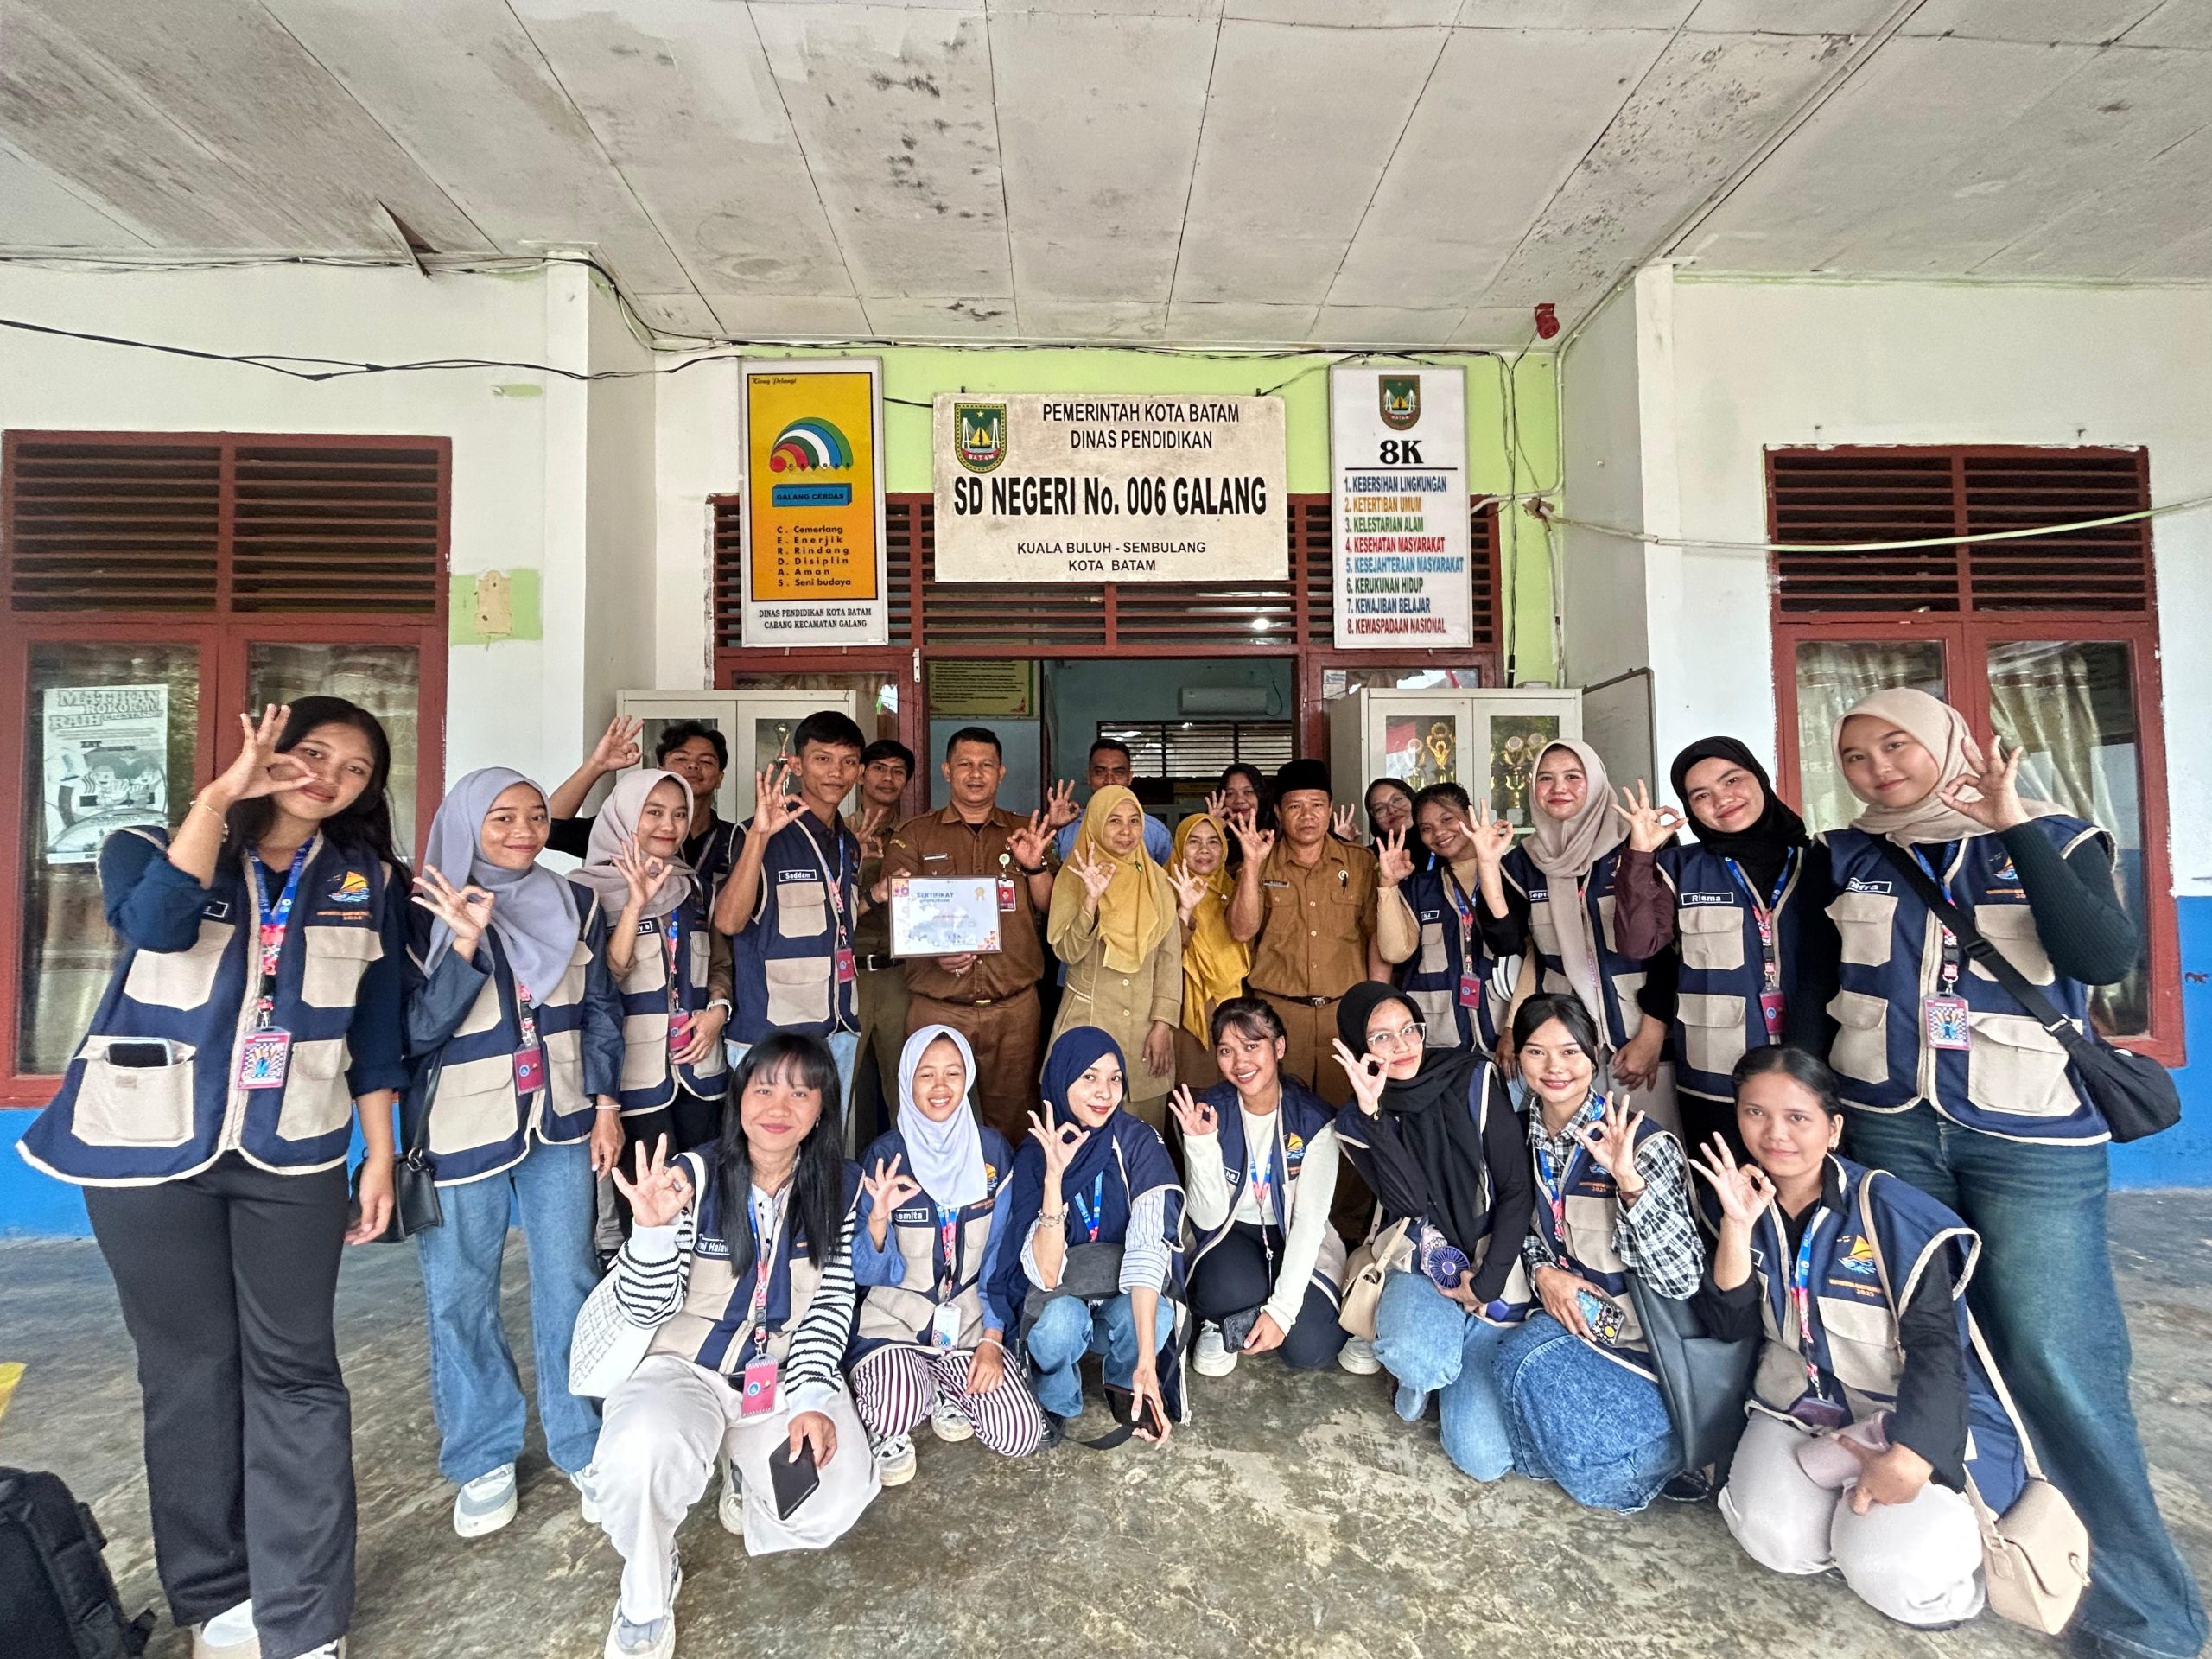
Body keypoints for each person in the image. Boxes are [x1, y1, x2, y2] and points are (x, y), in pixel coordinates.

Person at [19, 700, 410, 1659]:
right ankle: (216, 1595)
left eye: (356, 770)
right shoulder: (148, 841)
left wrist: (381, 1155)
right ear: (270, 751)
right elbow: (154, 924)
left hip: (298, 1147)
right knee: (190, 1373)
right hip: (147, 1149)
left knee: (299, 1373)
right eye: (313, 754)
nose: (330, 778)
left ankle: (306, 1609)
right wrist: (221, 800)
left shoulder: (368, 879)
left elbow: (375, 1027)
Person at [1822, 687, 2204, 1659]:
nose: (1877, 770)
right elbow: (1825, 981)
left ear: (1949, 742)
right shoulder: (1851, 853)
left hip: (2027, 1136)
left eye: (1894, 745)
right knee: (1932, 1341)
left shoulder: (2058, 837)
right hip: (1891, 1128)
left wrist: (2013, 823)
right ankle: (1994, 1551)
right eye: (1856, 756)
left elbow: (2103, 954)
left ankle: (2143, 1619)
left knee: (2056, 1362)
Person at [1692, 1046, 2008, 1630]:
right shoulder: (1740, 1201)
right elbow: (1730, 1326)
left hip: (1899, 1418)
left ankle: (1913, 1542)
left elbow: (1939, 1350)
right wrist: (1736, 1227)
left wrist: (1911, 1458)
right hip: (1803, 1409)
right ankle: (1846, 1525)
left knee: (1900, 1574)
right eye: (1755, 1113)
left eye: (1797, 1118)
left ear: (1833, 1128)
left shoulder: (1892, 1214)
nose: (1774, 1134)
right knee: (1771, 1537)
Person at [589, 1034, 878, 1659]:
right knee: (638, 1458)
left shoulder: (843, 1188)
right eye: (765, 1086)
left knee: (835, 1492)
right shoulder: (690, 1177)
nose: (780, 1105)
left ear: (824, 1108)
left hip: (774, 1382)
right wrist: (650, 1236)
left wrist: (807, 1399)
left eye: (802, 1091)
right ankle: (646, 1586)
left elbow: (830, 1306)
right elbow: (644, 1308)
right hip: (684, 1371)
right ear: (740, 1096)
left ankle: (741, 1470)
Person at [404, 767, 627, 1540]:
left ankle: (581, 1440)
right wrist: (462, 948)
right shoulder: (422, 909)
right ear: (466, 823)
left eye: (535, 817)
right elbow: (410, 1034)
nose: (525, 832)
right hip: (461, 1126)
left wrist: (605, 1105)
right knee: (461, 1290)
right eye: (502, 819)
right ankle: (483, 1451)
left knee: (569, 1279)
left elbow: (599, 1010)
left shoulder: (574, 903)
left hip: (560, 1115)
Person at [1495, 994, 1705, 1513]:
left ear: (1594, 1054)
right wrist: (1542, 1269)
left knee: (1524, 1369)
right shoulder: (1513, 1137)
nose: (1554, 1068)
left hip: (1641, 1351)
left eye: (1569, 1051)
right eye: (1536, 1053)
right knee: (1506, 1387)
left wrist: (1630, 1185)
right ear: (1517, 1059)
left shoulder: (1640, 1143)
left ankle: (1656, 1454)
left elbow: (1681, 1278)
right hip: (1567, 1325)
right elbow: (1508, 1226)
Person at [1330, 982, 1533, 1470]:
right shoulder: (1354, 1121)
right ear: (1361, 1049)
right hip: (1422, 1260)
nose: (1401, 1046)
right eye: (1381, 1038)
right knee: (1417, 1356)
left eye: (1409, 1030)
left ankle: (1457, 1350)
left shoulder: (1473, 1079)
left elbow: (1515, 1190)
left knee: (1483, 1460)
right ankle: (1427, 1365)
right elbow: (1409, 1203)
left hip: (1491, 1260)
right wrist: (1375, 1114)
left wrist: (1487, 1281)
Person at [1614, 738, 1839, 1158]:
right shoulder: (1680, 868)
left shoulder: (1821, 861)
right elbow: (1639, 942)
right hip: (1715, 1074)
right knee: (1721, 1196)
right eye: (1701, 795)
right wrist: (1641, 853)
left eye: (1732, 779)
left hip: (1813, 1066)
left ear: (1760, 778)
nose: (1722, 799)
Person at [848, 1026, 1045, 1484]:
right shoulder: (884, 1155)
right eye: (926, 1075)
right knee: (897, 1408)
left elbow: (1003, 1257)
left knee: (1019, 1433)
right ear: (906, 1081)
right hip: (896, 1321)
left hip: (972, 1321)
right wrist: (877, 1220)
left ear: (969, 1077)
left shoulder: (993, 1152)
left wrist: (994, 1339)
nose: (940, 1087)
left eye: (953, 1073)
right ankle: (914, 1387)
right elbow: (865, 1272)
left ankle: (946, 1381)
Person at [1471, 740, 1682, 1134]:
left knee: (1646, 1151)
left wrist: (1652, 1036)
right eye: (1545, 779)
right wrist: (1487, 865)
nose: (1558, 788)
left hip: (1637, 1035)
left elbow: (1669, 952)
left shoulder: (1641, 841)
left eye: (1573, 777)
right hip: (1564, 1043)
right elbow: (1507, 943)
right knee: (1577, 1160)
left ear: (1596, 780)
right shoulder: (1525, 860)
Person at [995, 1027, 1185, 1443]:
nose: (1105, 1091)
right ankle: (1058, 1398)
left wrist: (1149, 1364)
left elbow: (1148, 1250)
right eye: (1089, 1077)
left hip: (1118, 1294)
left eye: (1115, 1078)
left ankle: (1127, 1388)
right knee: (1062, 1321)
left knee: (1161, 1315)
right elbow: (1046, 1276)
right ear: (1062, 1080)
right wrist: (1054, 1182)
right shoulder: (1036, 1154)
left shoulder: (1137, 1143)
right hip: (1062, 1300)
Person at [877, 728, 1058, 1143]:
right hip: (939, 1005)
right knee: (933, 1117)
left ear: (1001, 773)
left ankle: (1010, 1203)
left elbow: (1051, 907)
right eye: (965, 764)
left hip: (1013, 1009)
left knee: (1015, 1122)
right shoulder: (915, 834)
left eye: (986, 765)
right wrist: (934, 952)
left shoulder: (1024, 832)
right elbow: (897, 909)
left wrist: (1033, 867)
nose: (975, 774)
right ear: (946, 770)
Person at [1225, 759, 1418, 1108]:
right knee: (1280, 1116)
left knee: (1348, 1113)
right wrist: (1252, 865)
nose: (1307, 815)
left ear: (1330, 809)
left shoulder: (1360, 862)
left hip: (1343, 1013)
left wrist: (1376, 1004)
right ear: (1279, 813)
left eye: (1317, 805)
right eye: (1295, 807)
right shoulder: (1260, 862)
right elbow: (1241, 931)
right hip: (1277, 1015)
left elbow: (1376, 939)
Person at [1170, 998, 1348, 1376]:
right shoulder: (1209, 1110)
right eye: (1226, 1050)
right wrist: (1200, 1145)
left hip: (1294, 1234)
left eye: (1252, 1046)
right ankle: (1221, 1325)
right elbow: (1208, 1218)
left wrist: (1282, 1313)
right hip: (1231, 1232)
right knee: (1222, 1291)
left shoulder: (1314, 1120)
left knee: (1311, 1348)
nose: (1240, 1062)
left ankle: (1264, 1310)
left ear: (1278, 1047)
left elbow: (1309, 1223)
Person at [714, 710, 866, 1116]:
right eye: (822, 759)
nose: (836, 773)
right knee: (770, 1153)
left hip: (838, 1030)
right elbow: (728, 921)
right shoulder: (755, 834)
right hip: (772, 1036)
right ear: (796, 765)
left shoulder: (847, 843)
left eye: (848, 762)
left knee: (826, 1154)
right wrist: (760, 837)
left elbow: (836, 921)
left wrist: (878, 896)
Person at [576, 770, 734, 1160]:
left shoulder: (693, 887)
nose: (669, 826)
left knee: (704, 1193)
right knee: (646, 1205)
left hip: (700, 1072)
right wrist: (634, 904)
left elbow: (720, 962)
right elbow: (603, 979)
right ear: (625, 816)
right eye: (654, 812)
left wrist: (718, 1008)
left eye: (680, 814)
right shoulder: (585, 892)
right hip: (632, 1078)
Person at [1046, 785, 1184, 1131]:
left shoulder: (1158, 881)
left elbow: (1169, 958)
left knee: (1143, 1135)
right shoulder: (1075, 877)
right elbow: (1067, 951)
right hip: (1088, 1023)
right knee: (1081, 1131)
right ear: (1094, 824)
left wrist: (1163, 1024)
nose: (1126, 831)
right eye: (1114, 821)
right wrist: (1090, 903)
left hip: (1145, 1031)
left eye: (1134, 820)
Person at [549, 717, 744, 903]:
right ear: (660, 772)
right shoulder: (625, 832)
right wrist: (596, 766)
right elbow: (551, 829)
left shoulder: (738, 839)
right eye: (681, 758)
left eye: (707, 761)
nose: (693, 765)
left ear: (720, 778)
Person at [1395, 782, 1508, 1058]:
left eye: (1447, 819)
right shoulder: (1419, 888)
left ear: (1469, 816)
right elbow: (1394, 951)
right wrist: (1387, 885)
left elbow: (1530, 956)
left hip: (1501, 1028)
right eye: (1426, 828)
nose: (1439, 833)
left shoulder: (1510, 873)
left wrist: (1515, 1027)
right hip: (1440, 1035)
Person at [849, 737, 916, 1147]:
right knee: (834, 1085)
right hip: (845, 971)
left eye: (897, 771)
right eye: (879, 768)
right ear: (860, 774)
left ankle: (909, 1185)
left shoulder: (916, 836)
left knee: (904, 1087)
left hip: (898, 974)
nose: (888, 779)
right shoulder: (835, 830)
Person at [1165, 811, 1249, 1093]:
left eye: (1213, 841)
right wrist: (1184, 910)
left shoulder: (1235, 889)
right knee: (1192, 1092)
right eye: (1194, 842)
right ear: (1179, 846)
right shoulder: (1163, 889)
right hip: (1184, 1006)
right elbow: (1160, 957)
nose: (1204, 850)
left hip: (1231, 1006)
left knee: (1233, 1090)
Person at [1051, 737, 1172, 862]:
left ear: (1129, 778)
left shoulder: (1156, 832)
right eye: (1100, 772)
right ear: (1088, 777)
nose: (1109, 780)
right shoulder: (1066, 827)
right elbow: (1046, 873)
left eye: (1118, 772)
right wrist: (1052, 829)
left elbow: (1170, 878)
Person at [1364, 776, 1417, 847]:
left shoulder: (1435, 844)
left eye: (1397, 800)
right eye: (1380, 809)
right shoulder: (1367, 855)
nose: (1391, 810)